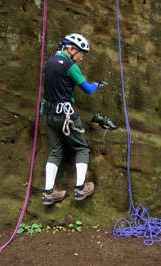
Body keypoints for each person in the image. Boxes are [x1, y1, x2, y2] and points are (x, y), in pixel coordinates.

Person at [41, 33, 104, 205]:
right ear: (71, 49)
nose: (81, 58)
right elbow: (88, 89)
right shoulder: (70, 65)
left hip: (49, 114)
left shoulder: (50, 61)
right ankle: (80, 188)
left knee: (55, 151)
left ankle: (48, 192)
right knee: (82, 148)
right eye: (80, 54)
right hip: (66, 115)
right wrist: (98, 84)